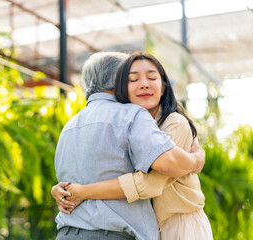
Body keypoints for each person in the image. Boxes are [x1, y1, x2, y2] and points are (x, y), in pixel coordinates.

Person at [52, 52, 213, 239]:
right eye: (132, 78)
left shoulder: (69, 125)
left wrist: (76, 191)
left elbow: (152, 181)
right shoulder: (131, 117)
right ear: (118, 83)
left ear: (163, 87)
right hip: (119, 232)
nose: (143, 84)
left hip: (177, 228)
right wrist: (196, 160)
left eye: (151, 77)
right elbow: (159, 172)